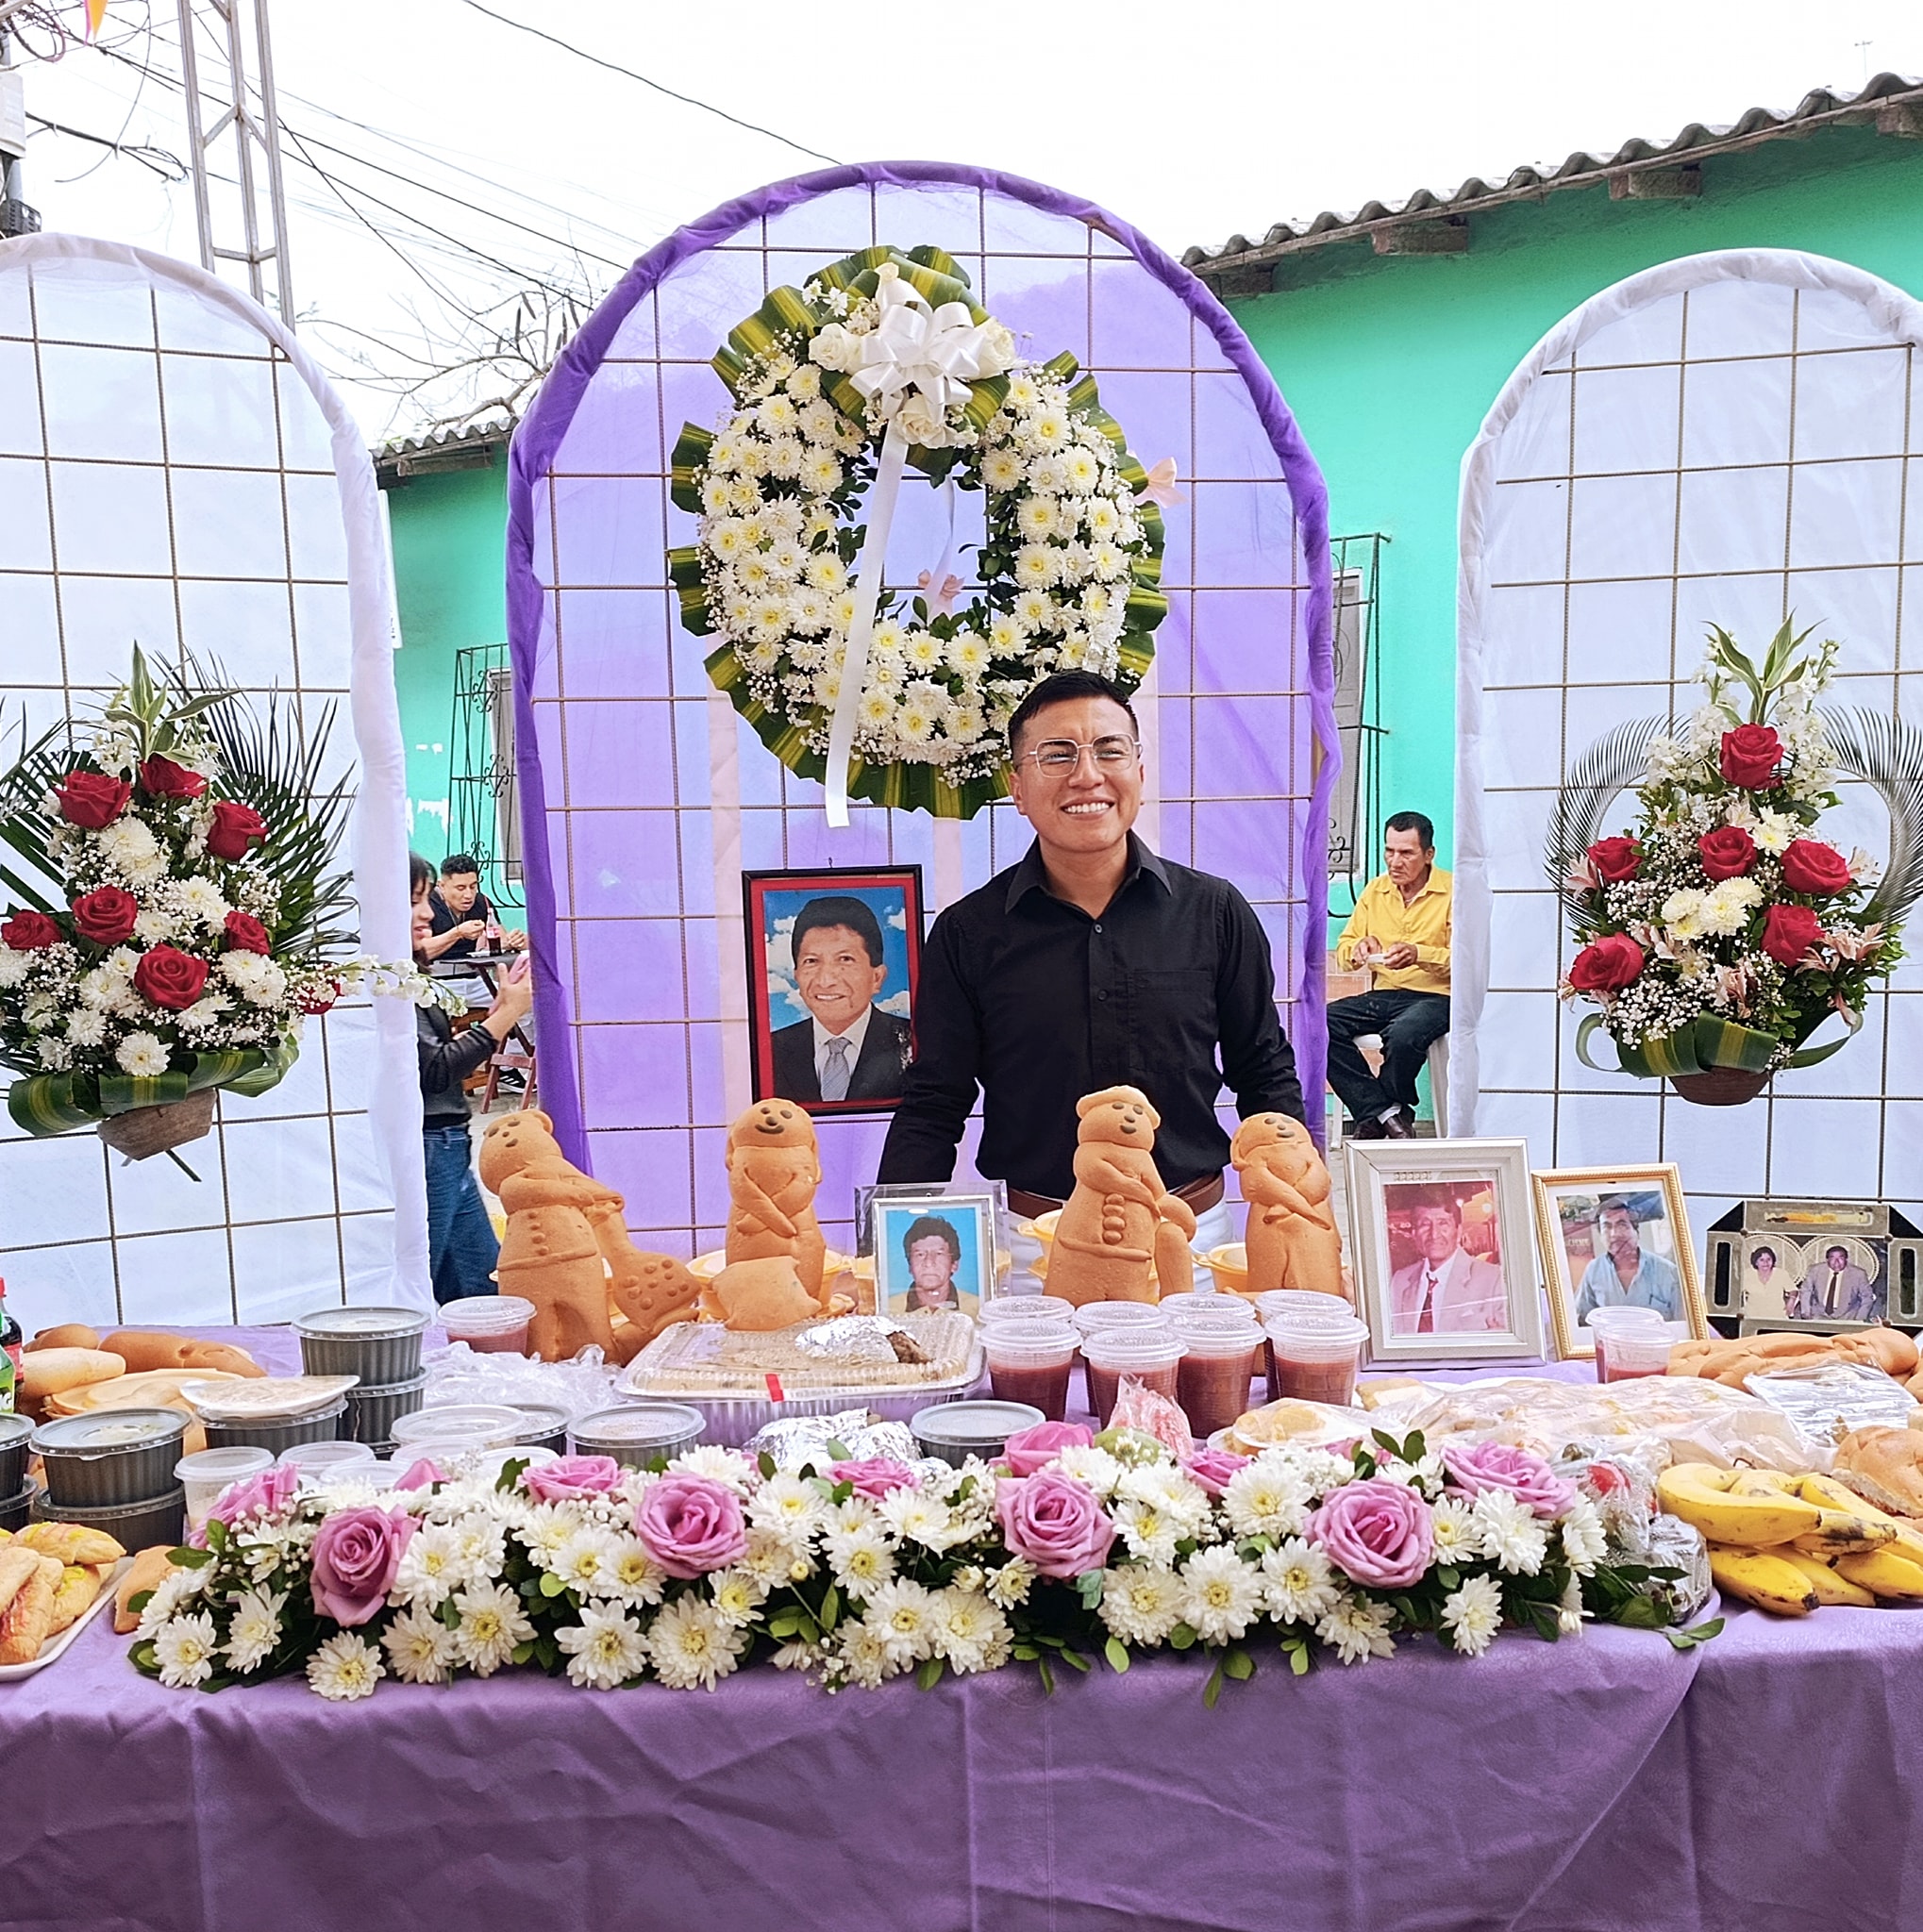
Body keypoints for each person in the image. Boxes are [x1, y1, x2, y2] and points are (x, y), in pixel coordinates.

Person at [876, 670, 1304, 1252]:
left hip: (1191, 1238)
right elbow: (935, 1101)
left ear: (1140, 773)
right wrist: (889, 1246)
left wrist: (1301, 1218)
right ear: (1018, 788)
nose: (1087, 775)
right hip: (1033, 1245)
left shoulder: (1215, 912)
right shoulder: (967, 933)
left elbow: (1264, 1072)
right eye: (1057, 755)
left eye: (1109, 750)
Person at [410, 853, 531, 1303]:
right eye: (414, 901)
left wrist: (498, 1015)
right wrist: (503, 1019)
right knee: (427, 1286)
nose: (426, 913)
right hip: (431, 1145)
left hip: (447, 1143)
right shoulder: (387, 981)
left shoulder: (406, 972)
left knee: (484, 1288)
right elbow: (436, 1069)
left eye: (425, 900)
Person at [1328, 812, 1452, 1140]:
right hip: (1384, 994)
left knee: (1403, 1034)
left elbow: (1464, 961)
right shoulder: (1375, 890)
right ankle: (1385, 1112)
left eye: (1406, 853)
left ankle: (1378, 1116)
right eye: (1389, 851)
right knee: (1319, 1024)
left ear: (1429, 854)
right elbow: (1345, 948)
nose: (1395, 862)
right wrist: (1358, 949)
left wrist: (1418, 954)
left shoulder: (1453, 891)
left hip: (1437, 996)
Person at [769, 895, 913, 1105]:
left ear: (877, 977)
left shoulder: (911, 1042)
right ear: (797, 975)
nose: (826, 980)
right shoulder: (772, 1049)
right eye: (811, 961)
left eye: (845, 959)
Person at [1387, 1191, 1506, 1335]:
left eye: (1443, 1223)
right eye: (1425, 1224)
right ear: (1414, 1234)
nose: (1434, 1234)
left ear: (1459, 1231)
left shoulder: (1495, 1279)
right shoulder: (1399, 1281)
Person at [1573, 1197, 1682, 1322]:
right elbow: (1582, 1320)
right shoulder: (1594, 1270)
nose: (1614, 1234)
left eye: (1622, 1225)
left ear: (1636, 1231)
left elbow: (1683, 1323)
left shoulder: (1668, 1271)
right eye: (1607, 1227)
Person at [428, 854, 527, 961]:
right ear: (442, 886)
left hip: (470, 967)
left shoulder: (481, 902)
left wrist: (514, 941)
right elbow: (422, 952)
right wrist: (457, 933)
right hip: (432, 969)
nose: (469, 895)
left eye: (473, 887)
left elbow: (501, 940)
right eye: (460, 888)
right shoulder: (427, 905)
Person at [895, 1212, 965, 1312]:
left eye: (939, 1254)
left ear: (954, 1264)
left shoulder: (977, 1308)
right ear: (910, 1266)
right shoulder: (889, 1309)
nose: (928, 1263)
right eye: (920, 1254)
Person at [1789, 1244, 1878, 1322]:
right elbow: (1805, 1291)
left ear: (1846, 1259)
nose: (1836, 1262)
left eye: (1841, 1258)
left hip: (1848, 1315)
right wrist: (1806, 1313)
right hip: (1818, 1314)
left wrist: (1859, 1319)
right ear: (1827, 1260)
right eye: (1832, 1258)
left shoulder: (1858, 1274)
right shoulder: (1815, 1270)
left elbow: (1867, 1297)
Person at [1742, 1242, 1790, 1317]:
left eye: (1768, 1259)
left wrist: (1791, 1302)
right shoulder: (1748, 1274)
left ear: (1773, 1261)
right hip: (1753, 1315)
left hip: (1777, 1315)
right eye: (1762, 1260)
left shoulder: (1781, 1274)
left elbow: (1793, 1290)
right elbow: (1736, 1291)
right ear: (1756, 1262)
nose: (1766, 1263)